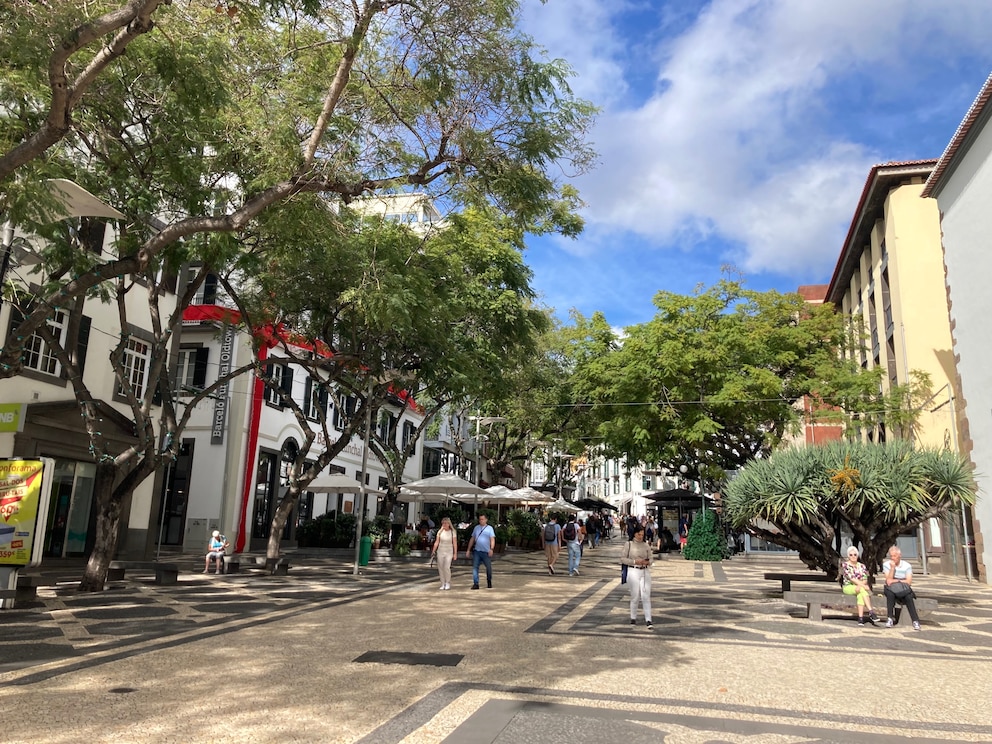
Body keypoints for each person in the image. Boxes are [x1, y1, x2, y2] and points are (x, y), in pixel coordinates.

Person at [620, 524, 654, 629]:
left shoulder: (646, 545)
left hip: (644, 571)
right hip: (633, 570)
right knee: (635, 595)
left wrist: (648, 562)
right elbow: (623, 559)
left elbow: (651, 558)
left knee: (646, 595)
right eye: (639, 534)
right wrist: (635, 561)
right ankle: (633, 618)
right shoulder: (628, 544)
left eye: (642, 535)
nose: (641, 537)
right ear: (635, 534)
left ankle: (648, 619)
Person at [882, 545, 921, 630]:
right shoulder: (886, 565)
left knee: (909, 597)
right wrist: (892, 568)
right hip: (891, 588)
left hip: (903, 588)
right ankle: (890, 618)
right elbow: (888, 581)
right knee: (890, 594)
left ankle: (915, 620)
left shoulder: (907, 566)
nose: (893, 558)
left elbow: (909, 581)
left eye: (895, 556)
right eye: (891, 556)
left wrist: (896, 581)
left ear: (900, 556)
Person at [841, 546, 878, 626]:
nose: (853, 556)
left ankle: (860, 619)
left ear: (857, 555)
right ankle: (871, 611)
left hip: (859, 587)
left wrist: (862, 585)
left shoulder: (862, 566)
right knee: (862, 590)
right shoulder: (845, 565)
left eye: (855, 554)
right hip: (848, 586)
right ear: (848, 556)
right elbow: (851, 578)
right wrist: (863, 586)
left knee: (861, 594)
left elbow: (865, 578)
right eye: (851, 555)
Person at [466, 514, 496, 589]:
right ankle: (476, 583)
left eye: (482, 519)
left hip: (486, 551)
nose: (481, 521)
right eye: (480, 519)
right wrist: (468, 550)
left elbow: (492, 539)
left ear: (486, 520)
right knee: (475, 567)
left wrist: (491, 549)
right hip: (477, 551)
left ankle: (489, 580)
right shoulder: (476, 528)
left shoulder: (490, 528)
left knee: (488, 567)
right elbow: (472, 539)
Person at [431, 516, 457, 590]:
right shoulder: (440, 532)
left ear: (449, 524)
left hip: (449, 551)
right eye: (443, 523)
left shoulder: (452, 532)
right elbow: (437, 542)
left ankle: (448, 582)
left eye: (446, 523)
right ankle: (442, 583)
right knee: (440, 567)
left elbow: (455, 543)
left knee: (446, 567)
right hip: (440, 550)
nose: (445, 525)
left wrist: (455, 553)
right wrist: (433, 550)